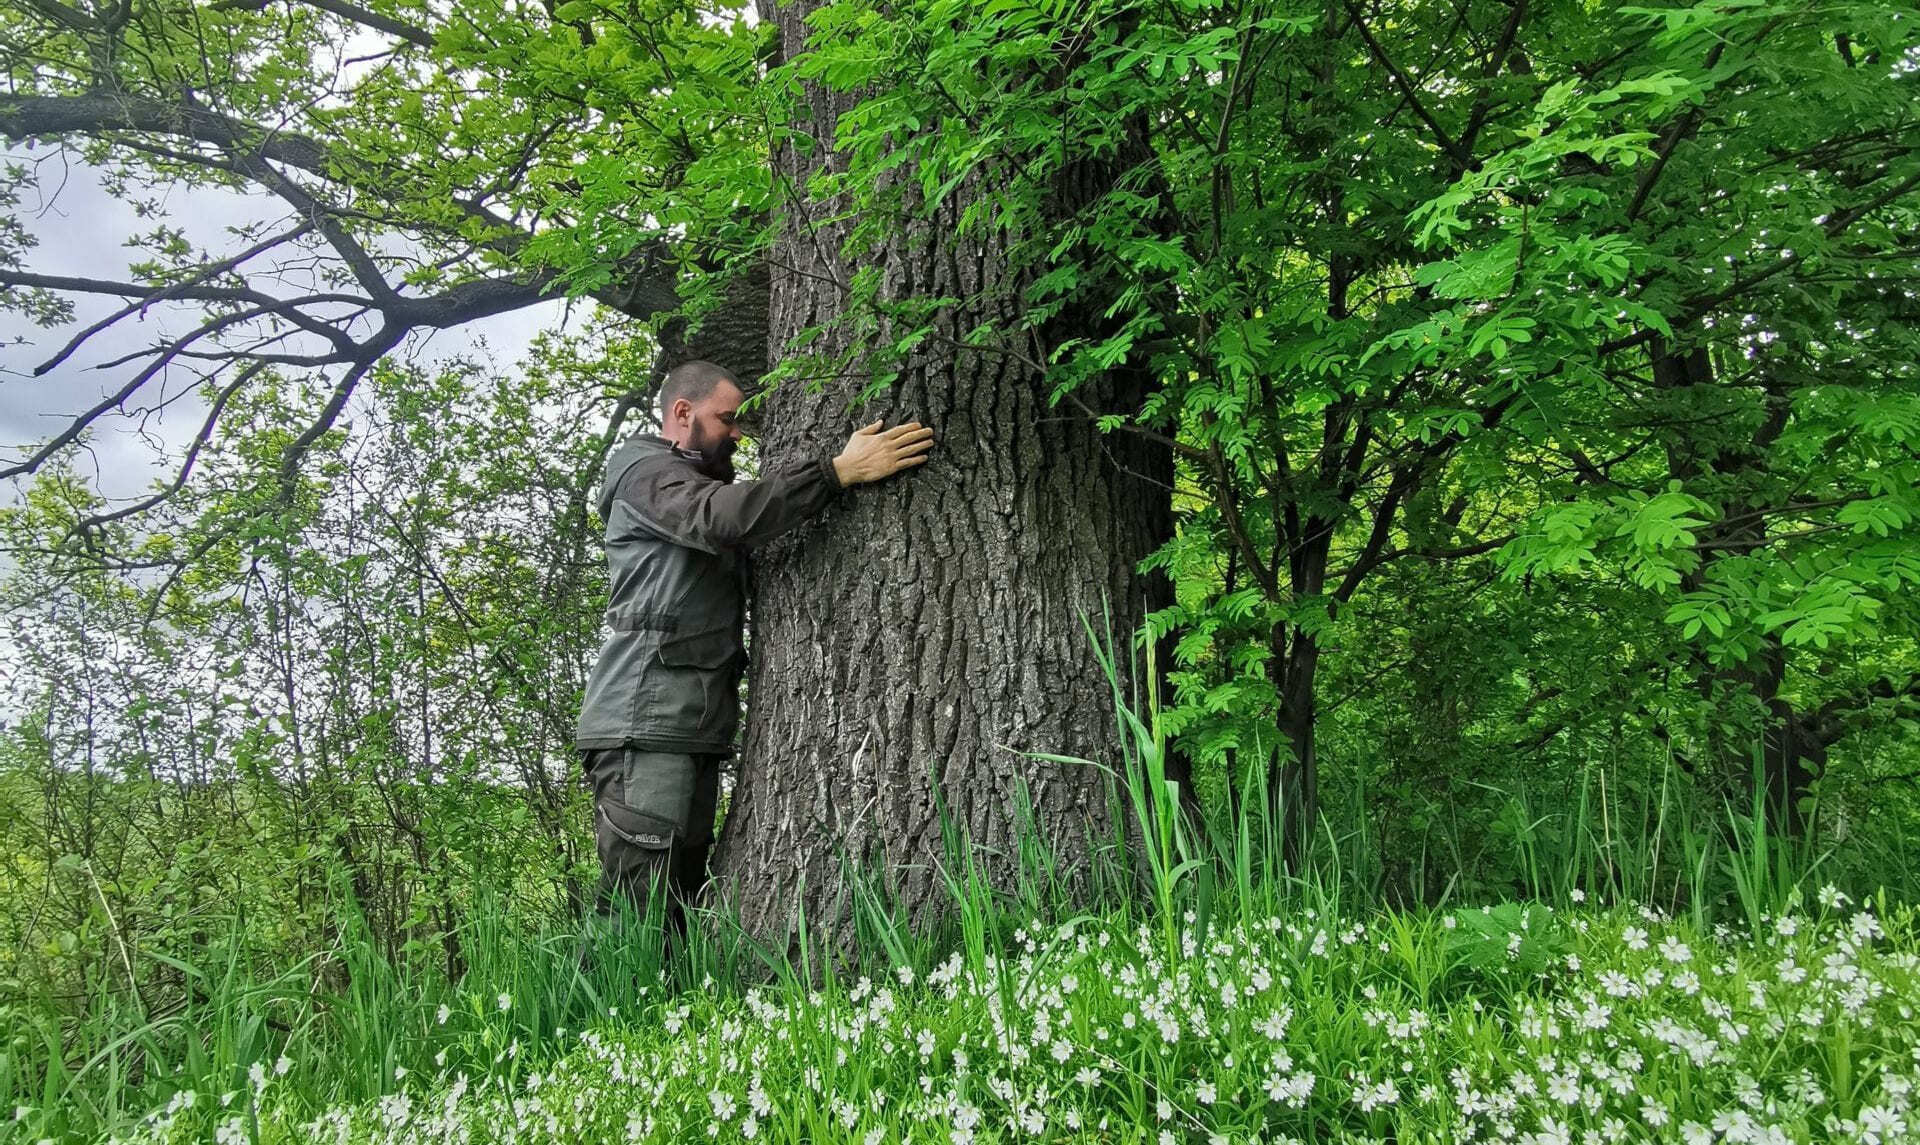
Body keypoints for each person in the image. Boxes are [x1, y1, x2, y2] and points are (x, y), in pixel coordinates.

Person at [574, 360, 934, 935]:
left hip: (686, 724)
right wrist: (835, 472)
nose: (738, 434)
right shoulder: (649, 473)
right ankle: (601, 1023)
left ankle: (664, 1022)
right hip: (642, 723)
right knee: (638, 909)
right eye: (727, 419)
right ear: (682, 413)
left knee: (680, 908)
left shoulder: (679, 478)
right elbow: (720, 518)